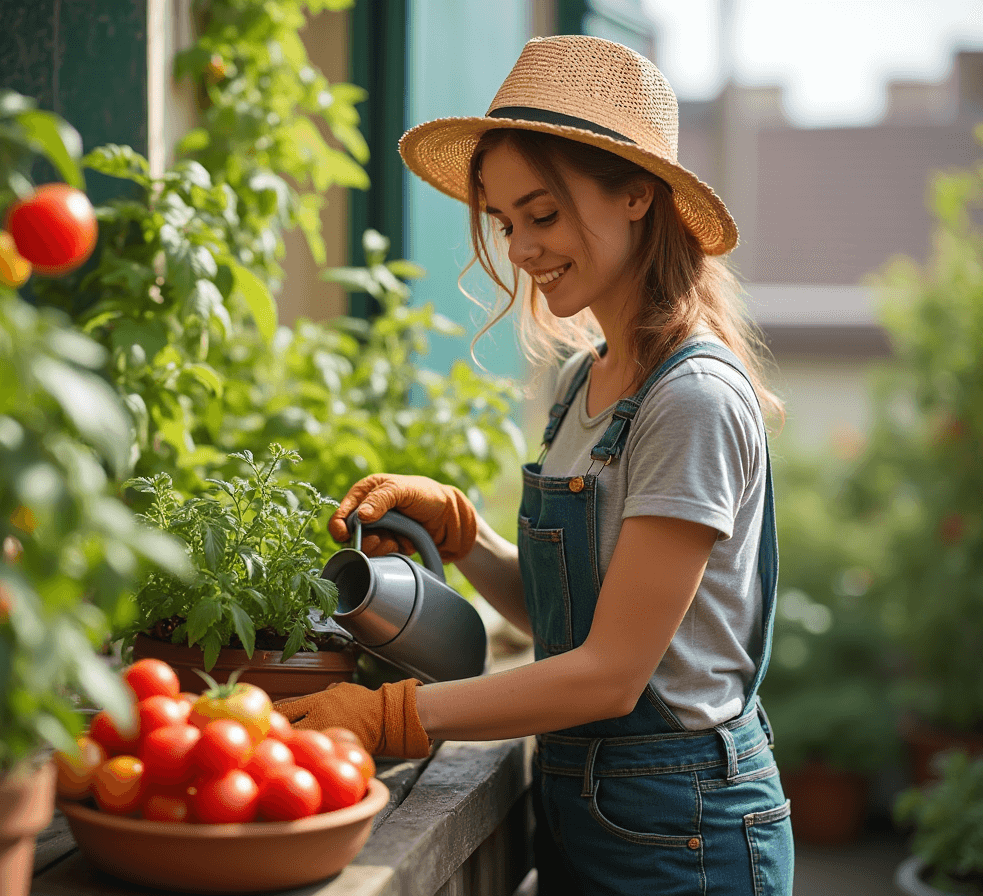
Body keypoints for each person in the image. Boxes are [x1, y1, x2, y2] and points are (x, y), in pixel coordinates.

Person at [277, 35, 794, 895]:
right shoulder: (577, 381)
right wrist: (465, 533)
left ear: (638, 195)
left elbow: (612, 672)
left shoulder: (690, 401)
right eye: (504, 222)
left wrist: (390, 715)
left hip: (687, 830)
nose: (519, 248)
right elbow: (573, 624)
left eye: (541, 214)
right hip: (591, 808)